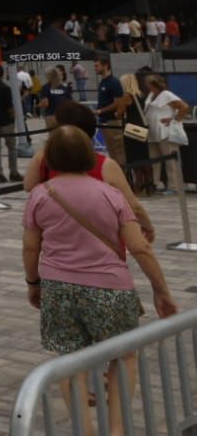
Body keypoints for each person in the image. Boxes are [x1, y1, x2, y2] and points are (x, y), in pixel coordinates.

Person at [22, 125, 179, 436]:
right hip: (111, 288)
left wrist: (33, 282)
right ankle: (117, 429)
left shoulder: (40, 195)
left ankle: (85, 429)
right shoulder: (111, 195)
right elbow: (139, 247)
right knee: (122, 356)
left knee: (70, 359)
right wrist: (161, 290)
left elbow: (30, 246)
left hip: (59, 287)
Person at [24, 100, 156, 244]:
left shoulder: (43, 157)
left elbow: (29, 186)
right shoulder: (105, 164)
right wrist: (147, 226)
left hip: (58, 236)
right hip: (102, 237)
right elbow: (132, 204)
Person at [144, 74, 190, 195]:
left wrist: (174, 119)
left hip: (166, 132)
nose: (146, 85)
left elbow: (184, 107)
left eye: (148, 83)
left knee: (171, 161)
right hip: (152, 133)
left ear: (154, 84)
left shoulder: (167, 95)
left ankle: (174, 186)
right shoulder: (150, 95)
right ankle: (155, 183)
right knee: (155, 161)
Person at [94, 59, 127, 172]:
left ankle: (124, 175)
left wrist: (100, 111)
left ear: (106, 66)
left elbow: (117, 102)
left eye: (97, 65)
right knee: (111, 150)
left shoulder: (114, 82)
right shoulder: (102, 82)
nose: (95, 68)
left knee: (119, 151)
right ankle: (116, 175)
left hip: (112, 121)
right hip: (104, 121)